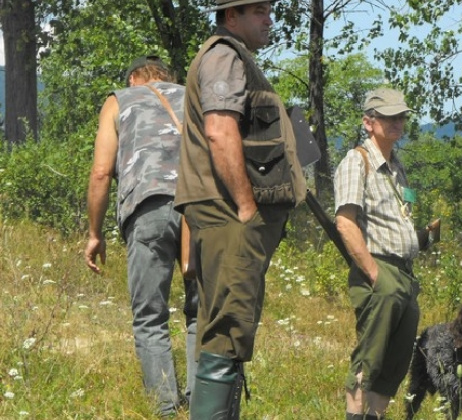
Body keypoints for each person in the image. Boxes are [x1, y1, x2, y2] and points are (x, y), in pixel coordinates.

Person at [173, 0, 306, 418]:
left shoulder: (233, 58)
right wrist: (247, 205)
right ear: (232, 17)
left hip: (226, 214)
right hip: (230, 214)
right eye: (259, 11)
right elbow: (218, 130)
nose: (270, 19)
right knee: (227, 333)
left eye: (270, 10)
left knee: (227, 331)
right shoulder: (225, 57)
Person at [84, 56, 198, 417]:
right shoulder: (193, 95)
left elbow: (102, 172)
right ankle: (203, 406)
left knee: (151, 317)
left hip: (149, 207)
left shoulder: (120, 99)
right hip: (202, 210)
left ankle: (166, 409)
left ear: (134, 76)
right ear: (168, 77)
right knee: (201, 313)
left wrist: (94, 233)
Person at [334, 87, 424, 420]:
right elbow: (345, 222)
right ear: (368, 122)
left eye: (400, 116)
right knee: (368, 363)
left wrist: (423, 237)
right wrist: (373, 273)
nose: (397, 122)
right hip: (380, 272)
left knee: (394, 367)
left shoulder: (397, 168)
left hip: (404, 276)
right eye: (388, 117)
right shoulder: (356, 161)